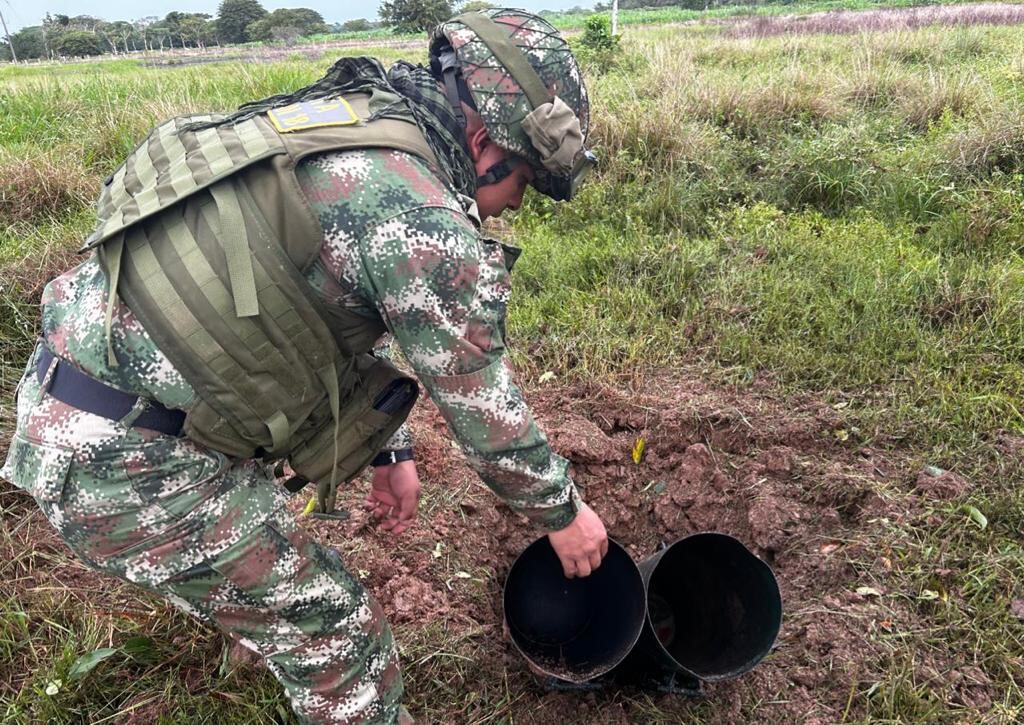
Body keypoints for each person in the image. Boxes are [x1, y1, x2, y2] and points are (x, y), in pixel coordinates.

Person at [1, 8, 606, 723]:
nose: (510, 209)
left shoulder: (356, 118)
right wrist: (563, 514)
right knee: (338, 630)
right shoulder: (422, 219)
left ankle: (254, 615)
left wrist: (394, 446)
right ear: (484, 143)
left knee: (281, 583)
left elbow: (327, 300)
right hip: (130, 466)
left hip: (77, 394)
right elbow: (483, 405)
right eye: (523, 187)